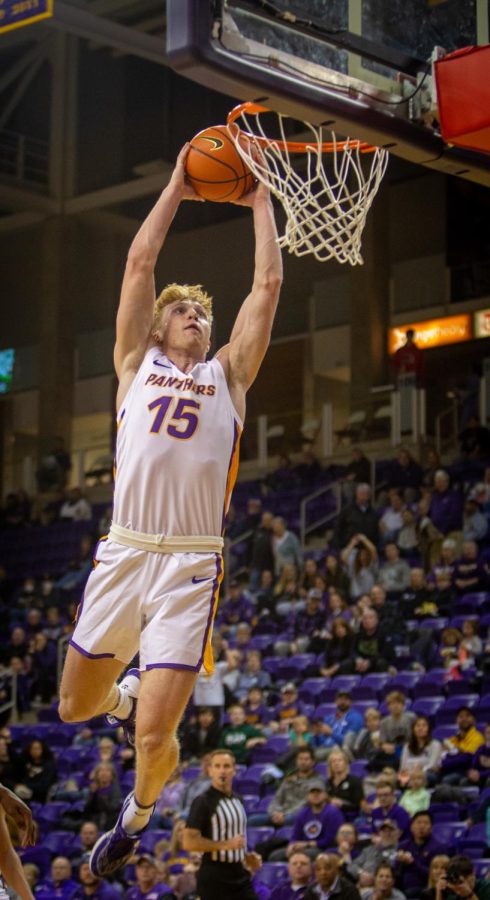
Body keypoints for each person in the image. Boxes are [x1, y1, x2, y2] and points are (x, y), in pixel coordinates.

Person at [58, 145, 282, 877]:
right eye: (184, 311)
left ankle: (137, 816)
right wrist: (179, 187)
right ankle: (121, 701)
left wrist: (257, 205)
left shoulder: (230, 375)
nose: (196, 318)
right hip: (125, 547)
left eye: (202, 315)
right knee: (72, 708)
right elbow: (137, 265)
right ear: (158, 329)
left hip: (190, 559)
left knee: (155, 741)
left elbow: (269, 282)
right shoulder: (135, 365)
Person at [183, 749, 262, 900]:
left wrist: (245, 856)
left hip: (239, 872)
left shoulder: (238, 800)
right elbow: (188, 842)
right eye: (217, 766)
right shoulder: (203, 801)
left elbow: (233, 838)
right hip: (214, 876)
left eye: (226, 766)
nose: (222, 771)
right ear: (210, 771)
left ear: (234, 770)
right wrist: (224, 845)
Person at [396, 811, 444, 899]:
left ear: (431, 827)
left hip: (426, 888)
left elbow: (434, 875)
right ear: (411, 827)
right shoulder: (403, 846)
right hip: (403, 887)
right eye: (418, 822)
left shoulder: (438, 848)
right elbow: (397, 872)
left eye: (426, 823)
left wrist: (412, 863)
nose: (422, 826)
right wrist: (399, 862)